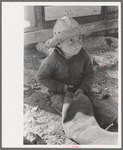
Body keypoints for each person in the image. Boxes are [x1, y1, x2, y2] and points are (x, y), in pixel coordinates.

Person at [37, 16, 95, 113]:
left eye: (79, 38)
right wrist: (61, 87)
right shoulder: (52, 60)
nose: (77, 44)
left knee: (97, 102)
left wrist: (83, 88)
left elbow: (90, 74)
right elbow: (42, 77)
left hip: (80, 88)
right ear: (59, 44)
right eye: (71, 40)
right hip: (59, 92)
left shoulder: (84, 55)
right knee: (69, 108)